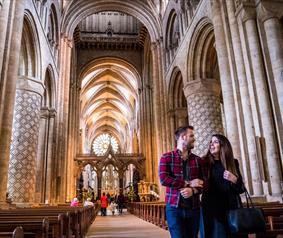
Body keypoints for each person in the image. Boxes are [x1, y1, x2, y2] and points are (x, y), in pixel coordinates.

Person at [159, 125, 207, 238]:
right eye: (192, 136)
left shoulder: (198, 160)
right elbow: (164, 179)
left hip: (194, 208)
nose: (194, 138)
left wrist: (194, 190)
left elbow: (204, 183)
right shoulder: (166, 157)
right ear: (183, 137)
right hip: (174, 208)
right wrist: (188, 183)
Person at [201, 134, 246, 238]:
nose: (211, 144)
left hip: (231, 207)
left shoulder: (233, 163)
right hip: (212, 209)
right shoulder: (204, 162)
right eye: (210, 142)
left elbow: (241, 189)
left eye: (215, 142)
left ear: (223, 145)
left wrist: (234, 179)